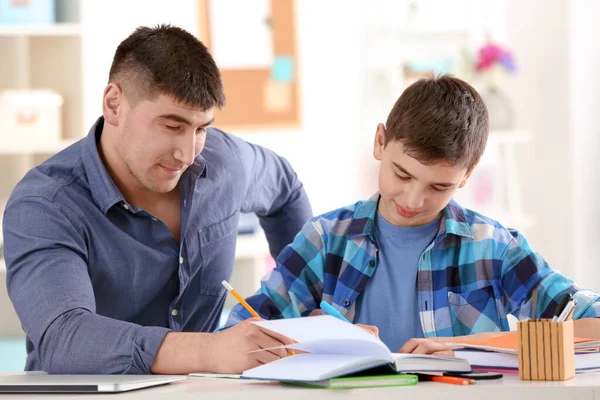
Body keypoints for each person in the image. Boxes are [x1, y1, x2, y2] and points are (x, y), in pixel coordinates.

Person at [2, 24, 312, 374]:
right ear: (114, 104)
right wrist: (209, 351)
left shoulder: (226, 163)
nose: (187, 154)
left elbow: (286, 191)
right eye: (172, 126)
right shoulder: (45, 204)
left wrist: (308, 304)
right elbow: (66, 338)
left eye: (201, 128)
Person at [224, 74, 600, 356]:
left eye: (439, 187)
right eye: (402, 174)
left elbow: (593, 323)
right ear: (380, 142)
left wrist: (470, 347)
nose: (414, 198)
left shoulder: (495, 249)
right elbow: (240, 334)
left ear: (467, 176)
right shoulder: (325, 240)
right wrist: (308, 338)